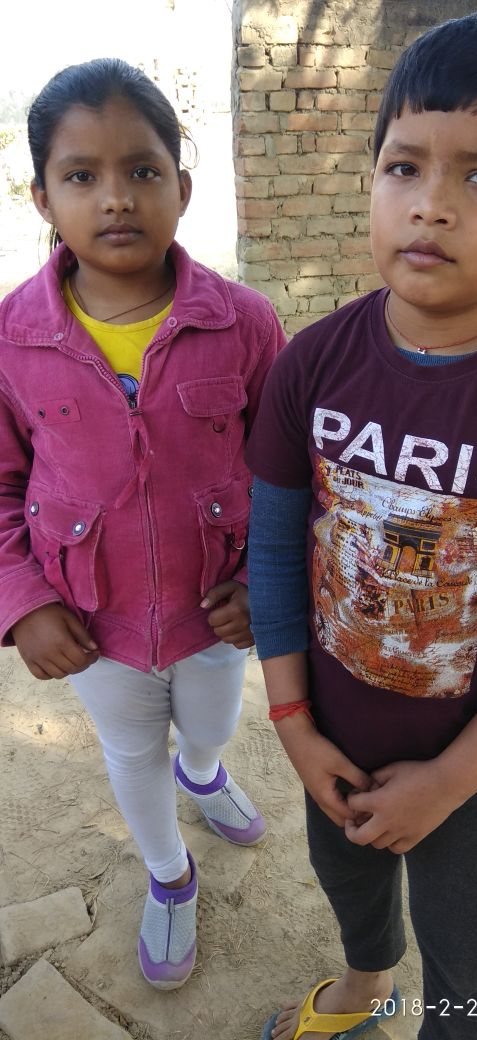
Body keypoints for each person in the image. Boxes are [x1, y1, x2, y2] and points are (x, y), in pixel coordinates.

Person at [246, 12, 477, 1040]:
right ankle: (364, 984)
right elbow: (274, 556)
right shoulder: (310, 365)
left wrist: (446, 783)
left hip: (471, 763)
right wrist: (293, 723)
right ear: (371, 182)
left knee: (463, 939)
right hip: (330, 731)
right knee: (346, 879)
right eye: (404, 166)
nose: (431, 204)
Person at [0, 58, 285, 991]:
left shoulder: (245, 324)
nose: (115, 197)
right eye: (82, 175)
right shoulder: (10, 338)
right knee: (131, 750)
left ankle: (202, 773)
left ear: (182, 188)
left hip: (216, 611)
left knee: (208, 724)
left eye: (143, 170)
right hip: (94, 622)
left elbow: (288, 473)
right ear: (43, 198)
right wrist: (22, 601)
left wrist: (264, 582)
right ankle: (170, 873)